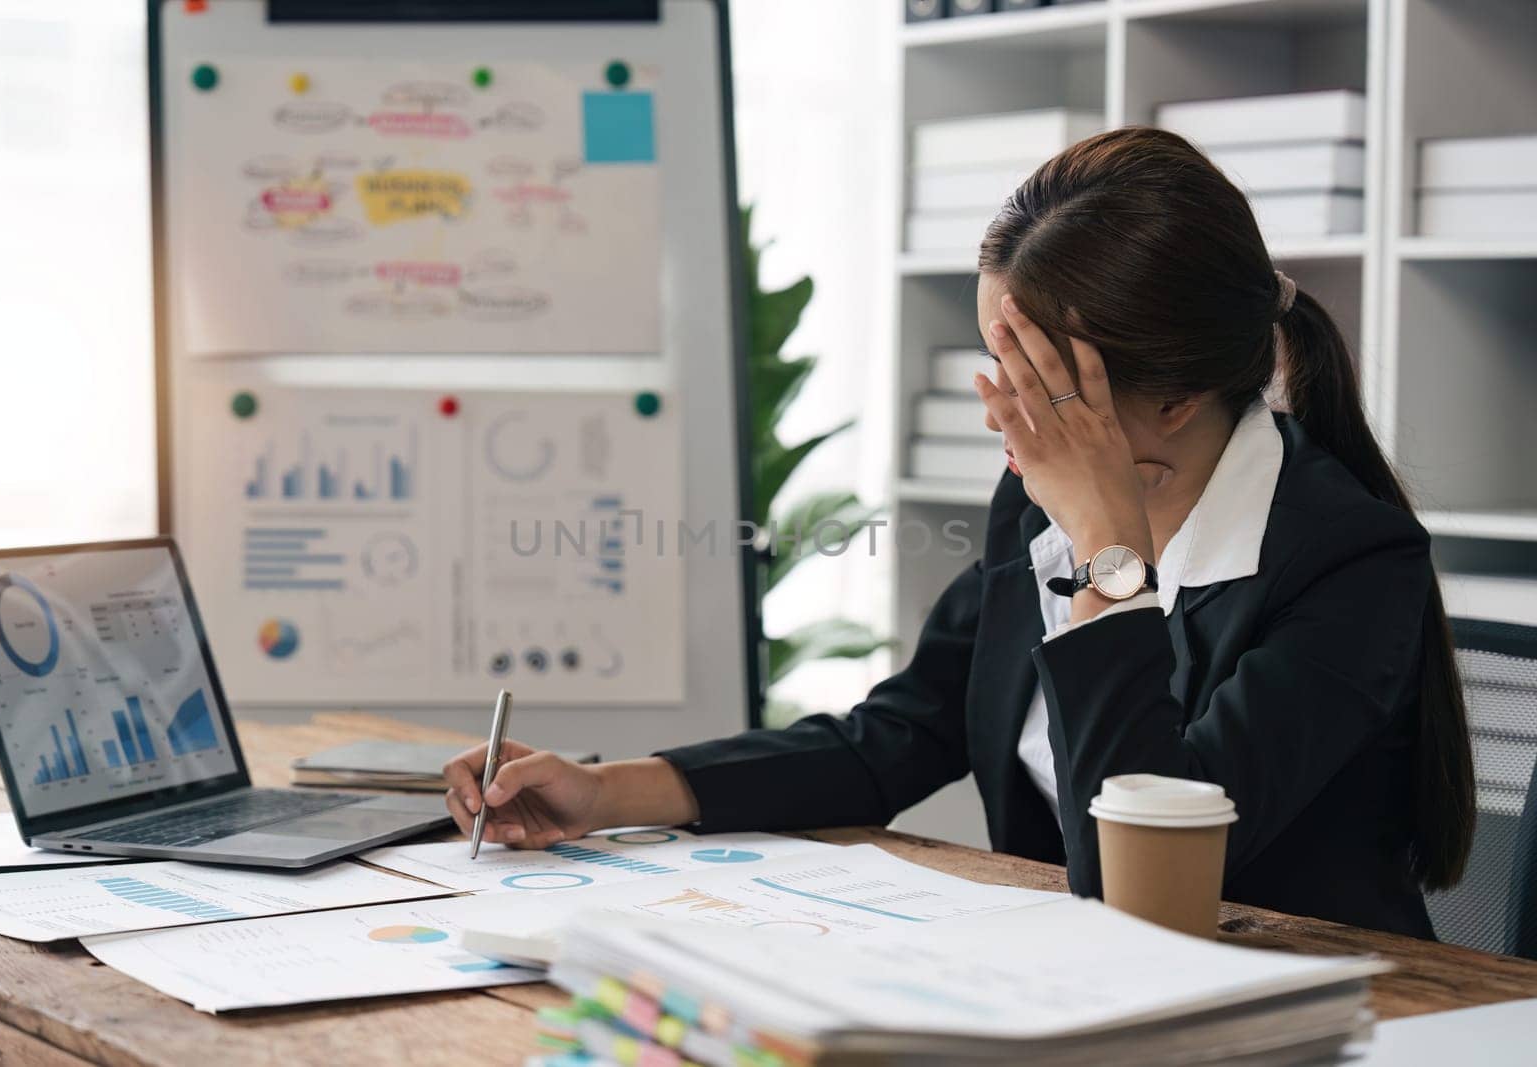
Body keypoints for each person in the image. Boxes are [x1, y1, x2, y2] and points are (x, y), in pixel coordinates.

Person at [442, 127, 1474, 938]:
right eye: (990, 358)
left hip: (1321, 1012)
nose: (998, 410)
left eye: (1033, 379)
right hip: (1079, 986)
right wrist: (608, 789)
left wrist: (1112, 557)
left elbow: (1143, 871)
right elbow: (898, 733)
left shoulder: (1347, 559)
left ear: (1180, 395)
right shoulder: (1034, 498)